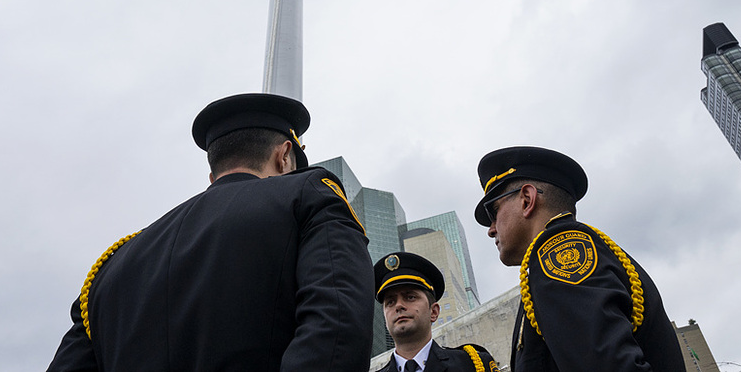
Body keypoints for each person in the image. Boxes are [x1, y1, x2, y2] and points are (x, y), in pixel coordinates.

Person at [45, 92, 375, 372]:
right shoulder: (307, 195)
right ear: (285, 156)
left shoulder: (113, 265)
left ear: (212, 176)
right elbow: (338, 329)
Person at [474, 146, 685, 372]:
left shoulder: (560, 249)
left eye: (493, 213)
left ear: (527, 199)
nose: (491, 230)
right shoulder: (566, 255)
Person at [373, 251, 498, 372]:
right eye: (390, 302)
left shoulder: (472, 365)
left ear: (434, 312)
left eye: (410, 297)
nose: (399, 305)